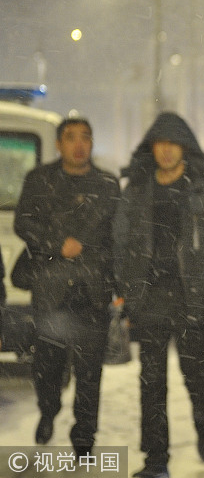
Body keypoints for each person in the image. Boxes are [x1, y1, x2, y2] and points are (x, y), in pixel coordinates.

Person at [113, 112, 204, 478]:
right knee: (151, 382)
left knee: (195, 375)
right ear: (151, 147)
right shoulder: (137, 189)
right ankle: (156, 460)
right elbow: (120, 241)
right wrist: (128, 286)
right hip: (150, 298)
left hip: (192, 297)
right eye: (160, 143)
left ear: (184, 147)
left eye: (173, 143)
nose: (166, 150)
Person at [12, 117, 120, 459]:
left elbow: (118, 235)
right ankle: (48, 409)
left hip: (92, 290)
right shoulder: (40, 180)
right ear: (59, 144)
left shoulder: (107, 184)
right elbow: (23, 223)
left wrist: (116, 279)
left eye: (85, 137)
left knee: (90, 373)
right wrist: (57, 243)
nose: (79, 144)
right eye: (71, 138)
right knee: (48, 365)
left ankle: (84, 437)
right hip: (51, 289)